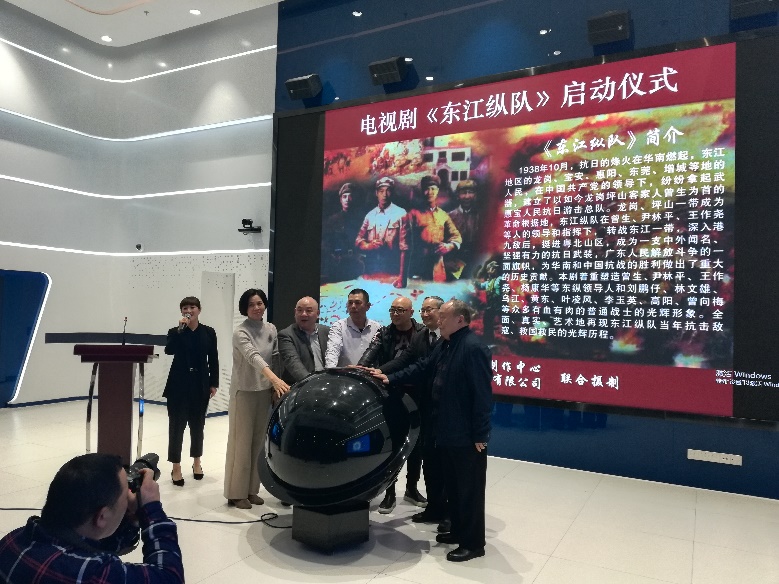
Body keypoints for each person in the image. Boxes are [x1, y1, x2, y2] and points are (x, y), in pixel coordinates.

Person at [373, 300, 492, 562]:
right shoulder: (444, 344)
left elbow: (483, 396)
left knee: (469, 491)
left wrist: (481, 435)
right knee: (454, 487)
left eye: (444, 317)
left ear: (460, 319)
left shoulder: (473, 348)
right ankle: (458, 531)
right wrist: (390, 377)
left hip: (465, 436)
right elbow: (422, 367)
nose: (439, 321)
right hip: (445, 430)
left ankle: (473, 544)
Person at [0, 453, 183, 583]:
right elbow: (169, 577)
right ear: (102, 516)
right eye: (124, 497)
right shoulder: (90, 573)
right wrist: (151, 510)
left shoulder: (12, 541)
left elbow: (91, 545)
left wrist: (133, 520)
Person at [376, 296, 448, 525]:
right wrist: (379, 372)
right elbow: (406, 360)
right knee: (422, 454)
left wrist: (389, 376)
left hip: (441, 408)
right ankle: (433, 507)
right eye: (423, 310)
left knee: (438, 459)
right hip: (416, 402)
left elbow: (420, 368)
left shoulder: (450, 338)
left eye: (430, 310)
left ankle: (443, 509)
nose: (425, 314)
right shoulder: (420, 336)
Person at [357, 295, 426, 513]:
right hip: (390, 392)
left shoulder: (422, 333)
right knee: (392, 443)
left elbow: (417, 363)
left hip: (417, 393)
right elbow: (371, 352)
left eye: (400, 310)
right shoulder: (384, 332)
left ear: (411, 312)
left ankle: (412, 488)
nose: (395, 314)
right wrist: (360, 368)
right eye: (392, 310)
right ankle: (389, 492)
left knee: (416, 444)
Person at [224, 288, 289, 509]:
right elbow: (254, 357)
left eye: (259, 303)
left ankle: (252, 490)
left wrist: (273, 385)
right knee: (241, 443)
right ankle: (236, 492)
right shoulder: (240, 332)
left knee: (259, 443)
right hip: (244, 392)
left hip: (264, 392)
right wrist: (274, 379)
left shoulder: (271, 328)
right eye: (251, 304)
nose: (256, 307)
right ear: (245, 308)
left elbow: (276, 357)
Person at [163, 296, 219, 486]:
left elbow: (213, 358)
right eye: (185, 308)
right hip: (178, 386)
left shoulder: (208, 332)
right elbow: (169, 350)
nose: (189, 310)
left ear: (199, 310)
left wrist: (214, 383)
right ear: (181, 312)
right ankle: (176, 466)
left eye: (192, 307)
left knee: (197, 426)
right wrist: (180, 330)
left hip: (200, 385)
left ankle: (197, 462)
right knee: (176, 427)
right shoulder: (175, 331)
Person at [403, 175, 461, 285]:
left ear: (437, 191)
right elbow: (403, 241)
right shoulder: (413, 214)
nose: (429, 192)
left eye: (433, 189)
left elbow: (456, 236)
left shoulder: (443, 215)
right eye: (426, 189)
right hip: (418, 266)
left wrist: (449, 246)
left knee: (437, 293)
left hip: (438, 268)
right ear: (422, 191)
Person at [355, 177, 408, 286]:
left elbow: (405, 248)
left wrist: (402, 277)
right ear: (376, 193)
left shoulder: (401, 214)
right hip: (371, 271)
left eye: (388, 191)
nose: (384, 195)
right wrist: (368, 245)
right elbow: (358, 240)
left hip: (393, 272)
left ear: (392, 193)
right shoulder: (370, 215)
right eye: (381, 191)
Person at [278, 296, 330, 384]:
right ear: (295, 312)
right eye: (299, 310)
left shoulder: (327, 331)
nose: (303, 314)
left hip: (326, 383)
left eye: (309, 311)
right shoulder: (286, 335)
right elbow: (294, 364)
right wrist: (313, 384)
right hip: (301, 386)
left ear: (317, 313)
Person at [325, 288, 381, 368]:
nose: (353, 306)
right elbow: (332, 352)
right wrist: (331, 370)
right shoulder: (338, 327)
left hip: (370, 375)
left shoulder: (377, 328)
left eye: (357, 303)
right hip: (345, 374)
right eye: (350, 303)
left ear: (368, 306)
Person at [324, 183, 363, 282]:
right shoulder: (332, 221)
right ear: (340, 199)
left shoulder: (361, 220)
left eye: (350, 196)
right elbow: (326, 243)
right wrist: (332, 258)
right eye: (344, 196)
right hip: (338, 266)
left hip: (356, 266)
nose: (347, 199)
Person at [447, 179, 482, 278]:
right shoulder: (449, 217)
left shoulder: (481, 217)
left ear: (475, 195)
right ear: (458, 196)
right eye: (463, 193)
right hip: (454, 265)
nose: (467, 196)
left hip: (476, 265)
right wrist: (446, 262)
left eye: (470, 192)